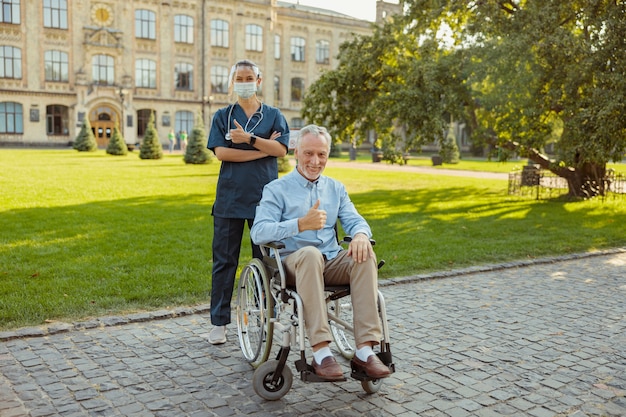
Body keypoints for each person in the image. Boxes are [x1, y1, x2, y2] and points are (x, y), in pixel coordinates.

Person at [250, 124, 391, 381]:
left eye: (322, 154)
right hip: (293, 263)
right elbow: (258, 232)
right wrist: (300, 224)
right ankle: (321, 352)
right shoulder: (276, 189)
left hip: (330, 259)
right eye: (309, 153)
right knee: (310, 254)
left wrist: (360, 235)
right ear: (296, 152)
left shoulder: (335, 189)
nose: (315, 161)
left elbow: (356, 221)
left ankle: (365, 351)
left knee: (365, 253)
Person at [206, 59, 290, 345]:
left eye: (249, 77)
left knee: (267, 262)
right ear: (233, 82)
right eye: (239, 77)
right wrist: (262, 149)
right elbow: (222, 154)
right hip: (229, 199)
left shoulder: (274, 114)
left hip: (264, 201)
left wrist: (249, 139)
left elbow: (281, 148)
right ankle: (219, 322)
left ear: (259, 80)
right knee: (224, 262)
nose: (244, 81)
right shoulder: (223, 116)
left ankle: (269, 317)